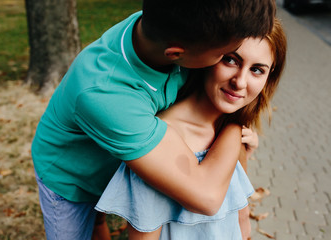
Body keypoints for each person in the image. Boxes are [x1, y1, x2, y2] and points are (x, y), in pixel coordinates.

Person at [31, 0, 276, 239]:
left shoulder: (174, 25)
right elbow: (207, 197)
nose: (237, 77)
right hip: (73, 177)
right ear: (176, 54)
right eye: (225, 55)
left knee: (99, 219)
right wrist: (234, 124)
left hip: (121, 144)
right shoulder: (105, 94)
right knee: (87, 218)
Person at [95, 18, 287, 240]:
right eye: (231, 60)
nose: (240, 82)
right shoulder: (158, 143)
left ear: (268, 77)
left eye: (256, 70)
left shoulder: (232, 127)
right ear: (209, 55)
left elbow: (240, 218)